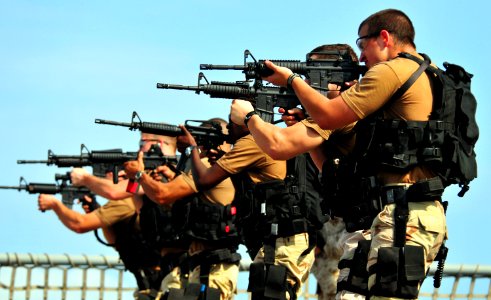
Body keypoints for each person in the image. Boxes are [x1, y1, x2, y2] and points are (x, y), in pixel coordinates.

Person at [241, 9, 447, 299]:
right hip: (390, 213)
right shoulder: (426, 74)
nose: (363, 58)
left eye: (363, 45)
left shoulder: (393, 71)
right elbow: (334, 172)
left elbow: (293, 137)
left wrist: (284, 88)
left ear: (384, 37)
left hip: (402, 214)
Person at [231, 44, 373, 300]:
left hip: (366, 228)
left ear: (346, 80)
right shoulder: (345, 114)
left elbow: (278, 146)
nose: (306, 84)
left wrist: (250, 117)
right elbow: (327, 173)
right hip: (357, 226)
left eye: (314, 77)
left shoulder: (340, 112)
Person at [177, 112, 325, 300]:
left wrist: (192, 149)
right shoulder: (261, 140)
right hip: (278, 241)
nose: (229, 126)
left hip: (283, 241)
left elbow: (204, 180)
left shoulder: (254, 141)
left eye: (232, 120)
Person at [40, 132, 183, 300]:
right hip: (162, 273)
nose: (139, 149)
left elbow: (109, 197)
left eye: (141, 143)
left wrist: (84, 180)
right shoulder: (149, 179)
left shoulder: (173, 174)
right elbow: (118, 241)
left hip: (179, 268)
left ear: (157, 144)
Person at [124, 118, 240, 300]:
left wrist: (139, 175)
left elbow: (162, 195)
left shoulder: (211, 169)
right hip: (202, 264)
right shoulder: (216, 168)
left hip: (214, 265)